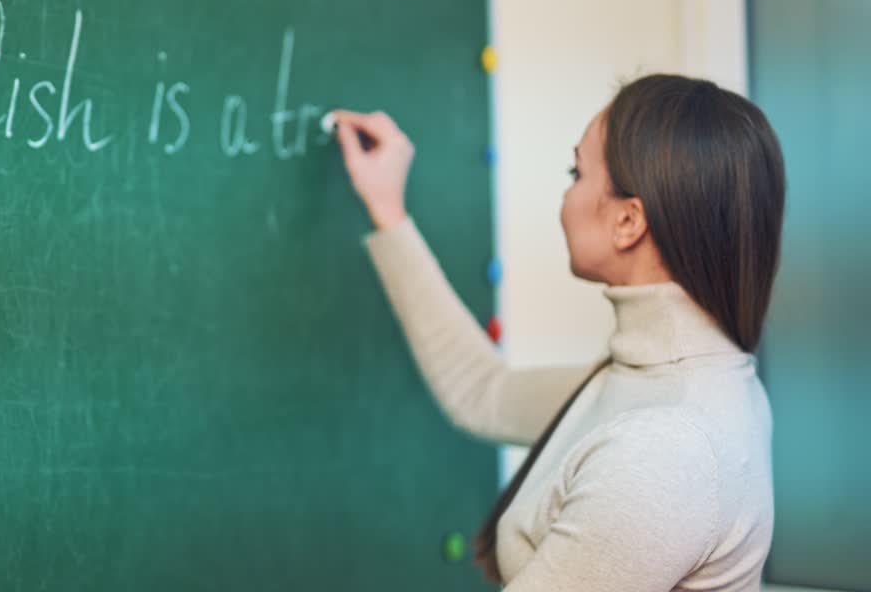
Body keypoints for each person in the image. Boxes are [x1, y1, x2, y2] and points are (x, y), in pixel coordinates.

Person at [330, 74, 786, 591]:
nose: (566, 195)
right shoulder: (667, 378)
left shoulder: (665, 449)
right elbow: (484, 394)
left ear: (628, 222)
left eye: (577, 172)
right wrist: (388, 211)